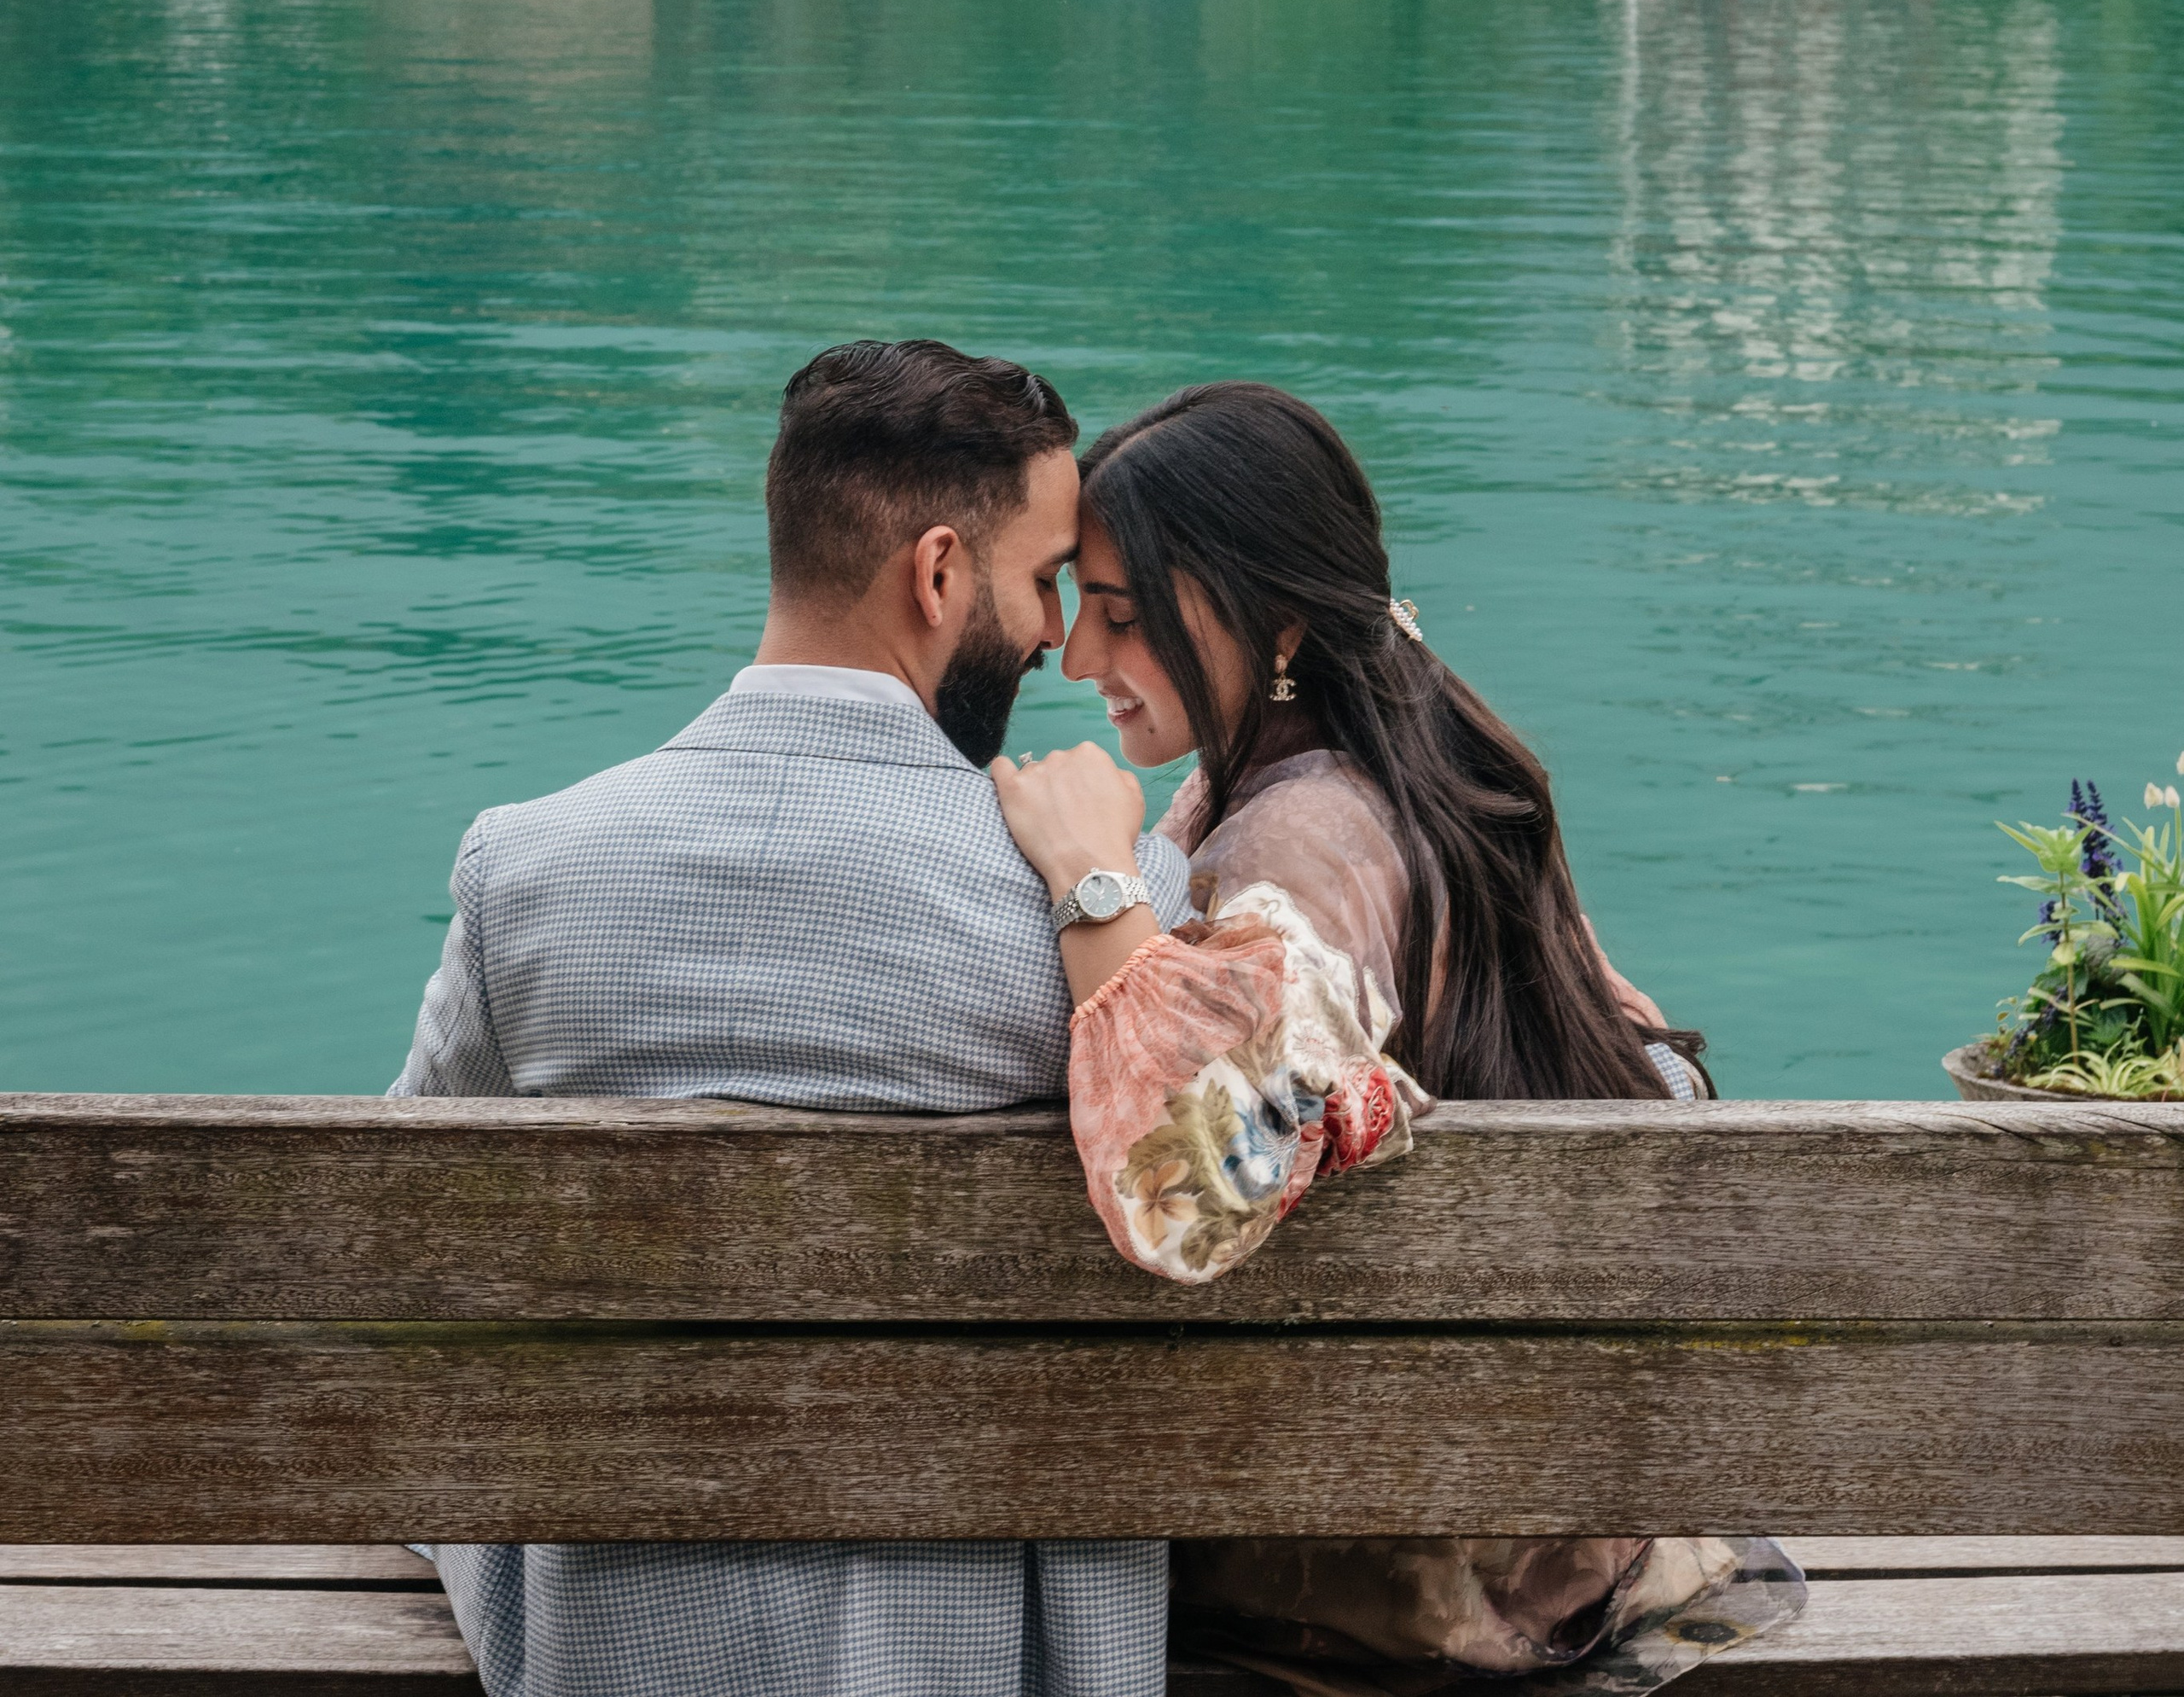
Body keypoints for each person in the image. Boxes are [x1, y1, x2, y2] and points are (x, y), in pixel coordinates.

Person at [392, 339, 1192, 1697]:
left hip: (610, 1637)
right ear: (937, 575)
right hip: (965, 1650)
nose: (1057, 636)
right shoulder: (1091, 913)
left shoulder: (526, 872)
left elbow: (403, 1219)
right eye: (1045, 581)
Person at [990, 381, 1806, 1694]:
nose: (1080, 660)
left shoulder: (1303, 842)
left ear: (1279, 623)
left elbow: (1196, 1191)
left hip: (1381, 1587)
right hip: (1536, 1517)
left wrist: (1093, 883)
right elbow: (1643, 1048)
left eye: (1124, 618)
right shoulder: (1427, 744)